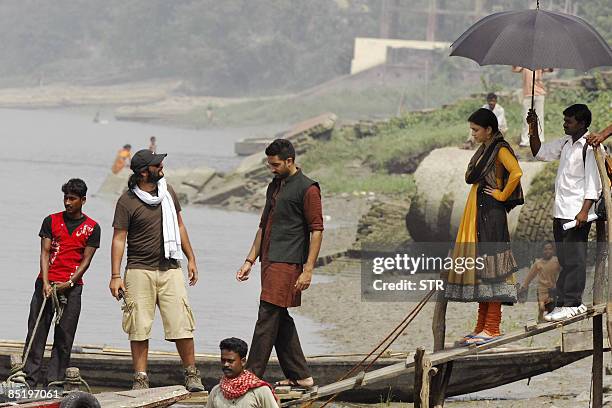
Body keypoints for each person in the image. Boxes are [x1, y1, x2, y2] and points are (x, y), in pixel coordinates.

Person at [110, 149, 205, 391]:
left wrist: (191, 258)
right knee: (138, 326)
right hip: (139, 270)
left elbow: (181, 226)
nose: (162, 167)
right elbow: (119, 239)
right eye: (157, 165)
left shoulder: (168, 192)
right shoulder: (127, 201)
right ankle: (140, 378)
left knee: (181, 322)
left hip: (171, 268)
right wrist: (115, 276)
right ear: (144, 172)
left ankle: (192, 375)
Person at [236, 139, 323, 388]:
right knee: (279, 317)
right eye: (269, 164)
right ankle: (301, 376)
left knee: (267, 313)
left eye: (275, 165)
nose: (271, 169)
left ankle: (250, 375)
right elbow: (263, 226)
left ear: (290, 161)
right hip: (269, 260)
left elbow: (317, 230)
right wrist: (249, 260)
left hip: (289, 261)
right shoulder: (274, 187)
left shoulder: (308, 189)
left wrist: (308, 270)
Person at [446, 108, 523, 345]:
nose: (473, 134)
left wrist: (501, 195)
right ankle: (481, 326)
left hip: (492, 213)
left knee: (493, 267)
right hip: (480, 211)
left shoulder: (499, 149)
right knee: (482, 268)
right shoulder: (485, 149)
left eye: (476, 130)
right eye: (472, 130)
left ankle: (492, 327)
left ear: (489, 129)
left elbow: (517, 172)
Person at [23, 179, 100, 387]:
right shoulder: (51, 221)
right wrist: (46, 282)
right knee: (37, 332)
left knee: (65, 336)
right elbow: (45, 252)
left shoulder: (92, 228)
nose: (68, 202)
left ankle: (54, 382)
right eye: (66, 198)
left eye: (73, 199)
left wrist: (70, 282)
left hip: (72, 288)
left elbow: (86, 260)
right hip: (46, 284)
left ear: (83, 200)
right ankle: (29, 380)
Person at [528, 104, 602, 321]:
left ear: (581, 124)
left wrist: (584, 211)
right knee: (564, 258)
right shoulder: (566, 143)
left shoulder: (590, 147)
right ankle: (563, 302)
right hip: (560, 210)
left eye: (568, 121)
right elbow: (539, 152)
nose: (564, 124)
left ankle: (573, 302)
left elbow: (593, 183)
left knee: (576, 258)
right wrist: (533, 128)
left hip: (576, 211)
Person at [206, 338, 278, 408]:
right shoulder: (216, 392)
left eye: (230, 361)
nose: (226, 364)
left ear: (243, 361)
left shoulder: (260, 391)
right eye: (223, 360)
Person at [519, 242, 561, 322]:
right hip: (541, 289)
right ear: (542, 251)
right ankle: (540, 318)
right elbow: (530, 276)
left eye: (550, 249)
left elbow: (563, 272)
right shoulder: (538, 263)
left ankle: (549, 321)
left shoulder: (556, 261)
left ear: (553, 250)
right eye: (545, 249)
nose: (547, 251)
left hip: (552, 289)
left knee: (551, 308)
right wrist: (524, 286)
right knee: (542, 307)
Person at [512, 66, 553, 147]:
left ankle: (540, 139)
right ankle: (525, 140)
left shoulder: (540, 64)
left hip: (539, 93)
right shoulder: (524, 64)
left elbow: (550, 69)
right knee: (526, 118)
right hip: (527, 94)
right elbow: (515, 69)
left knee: (539, 117)